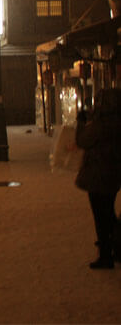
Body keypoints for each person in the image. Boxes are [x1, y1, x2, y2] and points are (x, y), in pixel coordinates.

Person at [75, 88, 121, 269]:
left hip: (97, 174)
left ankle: (105, 253)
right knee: (108, 210)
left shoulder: (102, 124)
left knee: (100, 214)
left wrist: (81, 122)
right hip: (113, 174)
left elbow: (82, 140)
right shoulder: (117, 122)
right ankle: (113, 242)